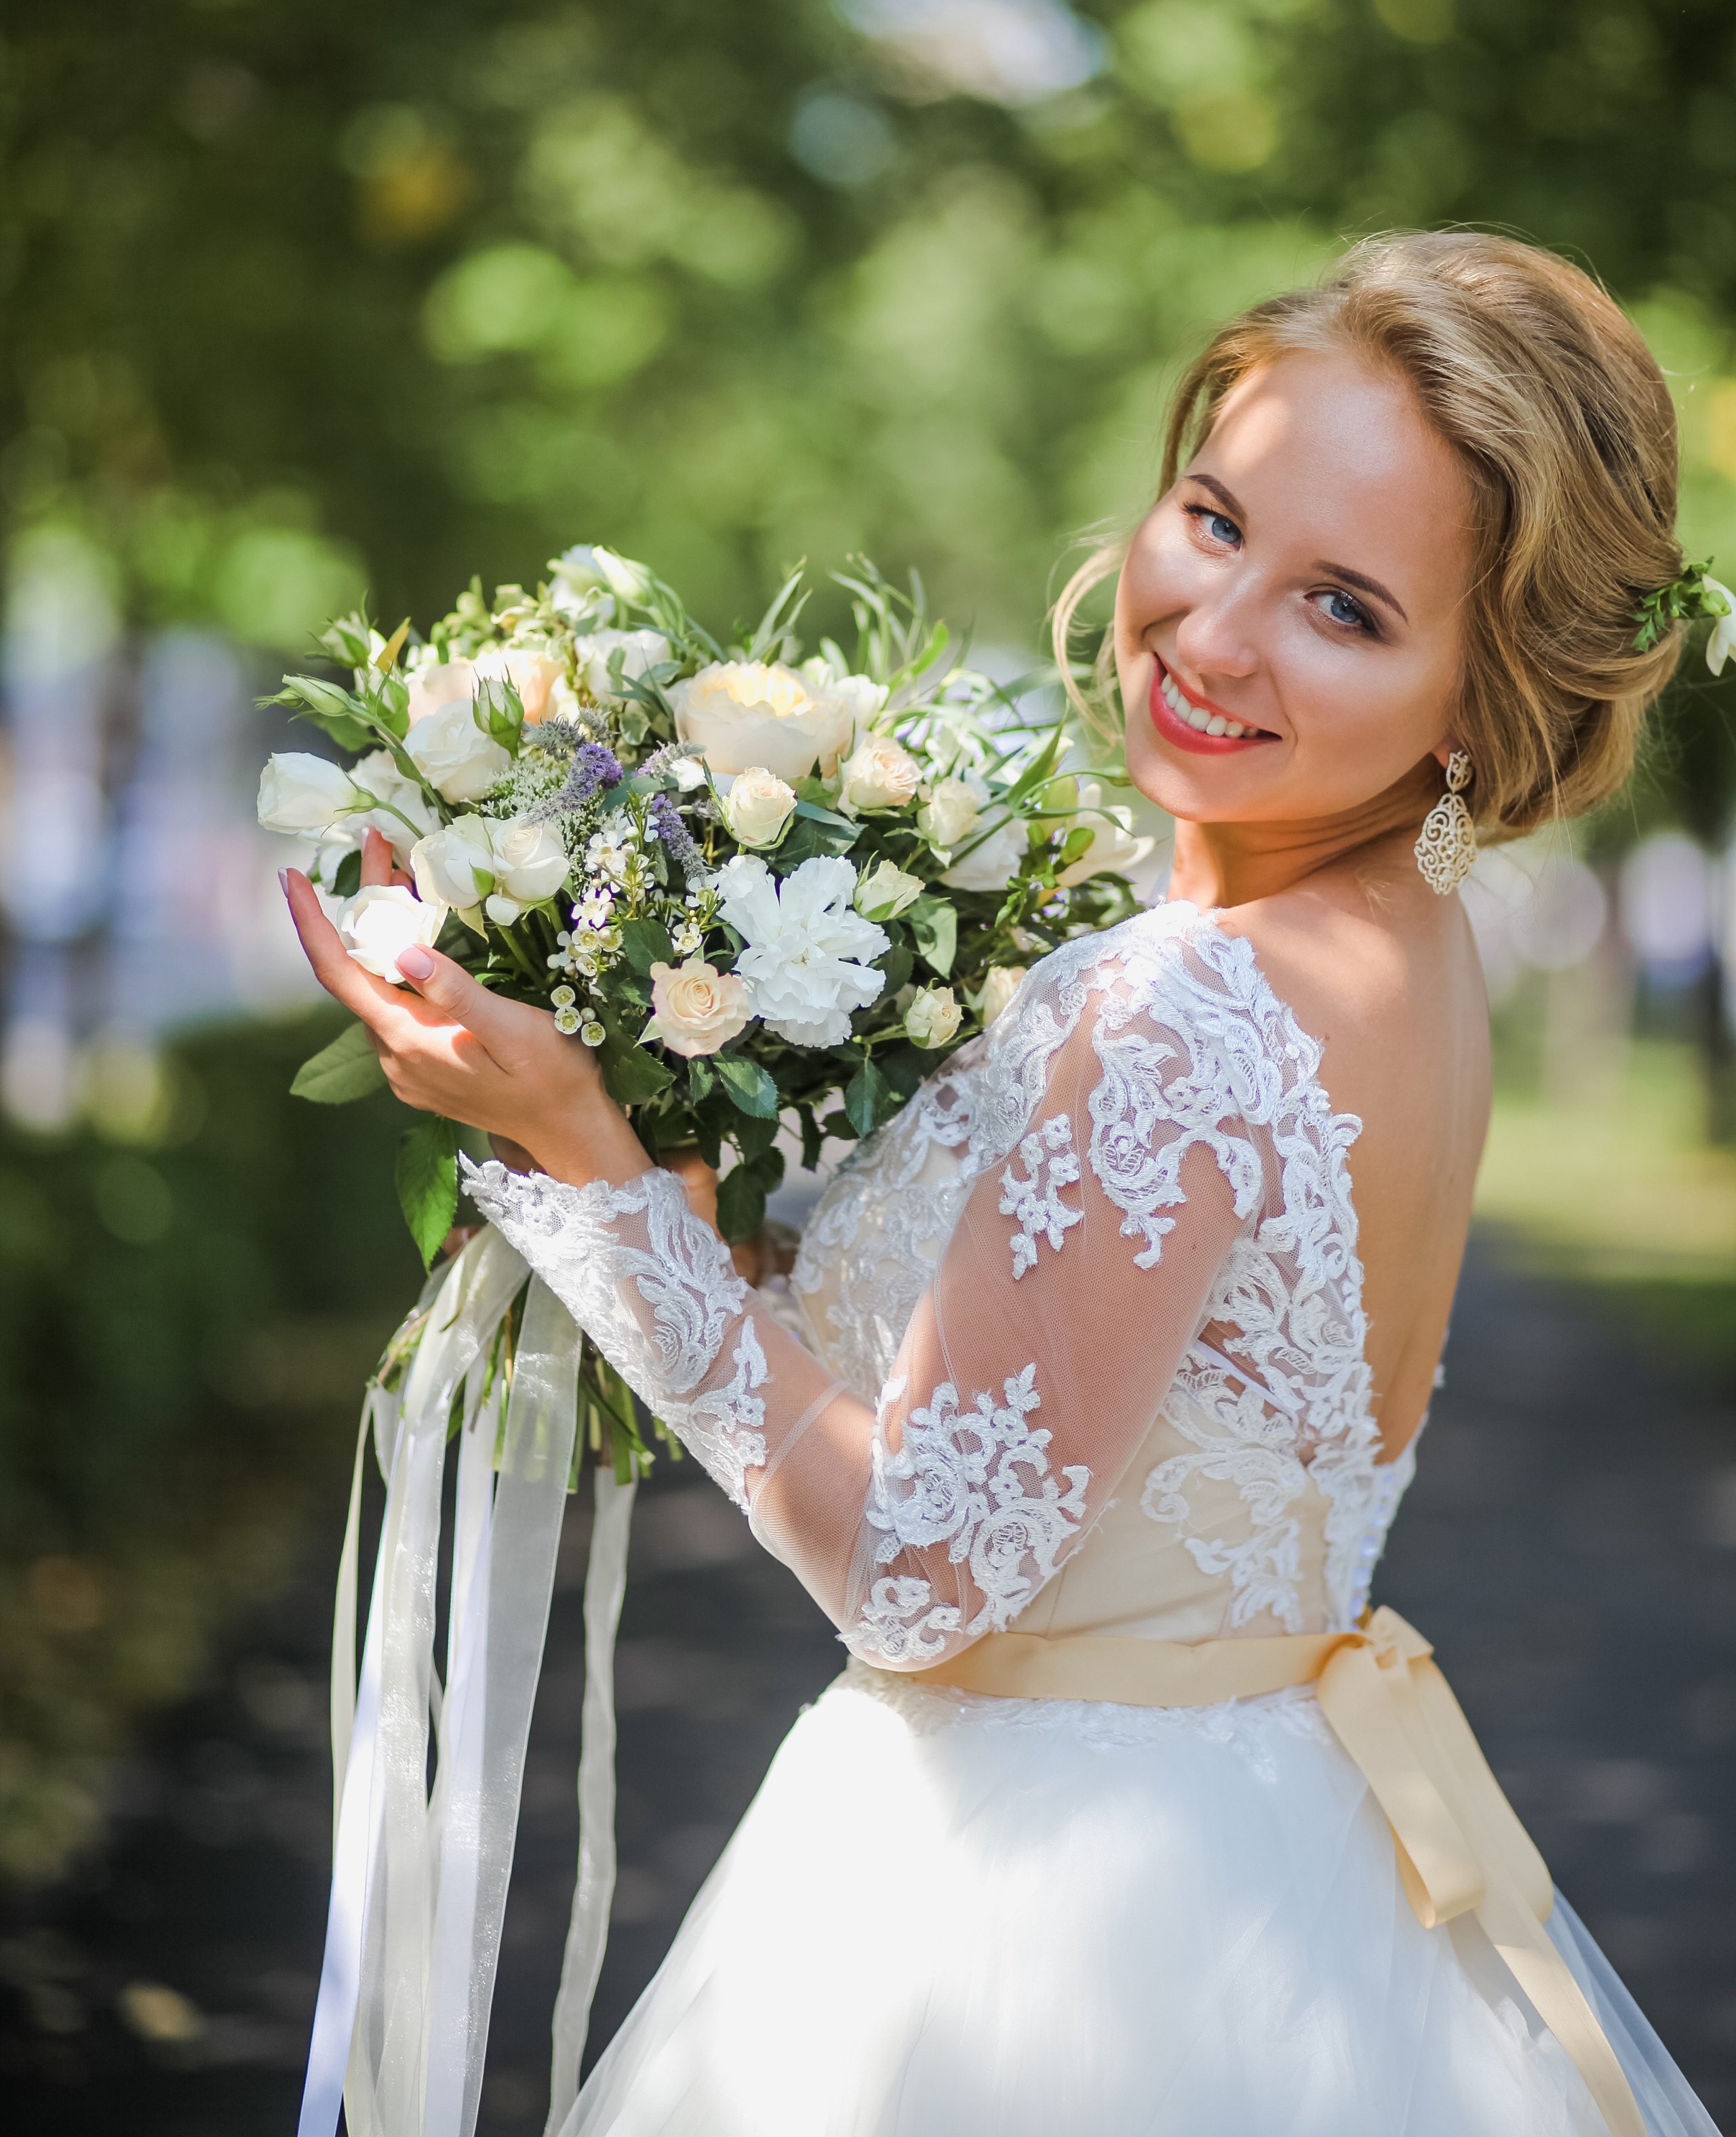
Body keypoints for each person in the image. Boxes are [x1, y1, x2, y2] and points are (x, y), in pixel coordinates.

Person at [287, 231, 1722, 2136]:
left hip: (1048, 1912)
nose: (1212, 635)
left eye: (1347, 610)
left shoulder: (1191, 1000)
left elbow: (921, 1571)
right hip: (1280, 1843)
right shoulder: (1409, 950)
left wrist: (588, 1157)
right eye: (1212, 520)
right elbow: (1097, 1376)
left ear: (1484, 689)